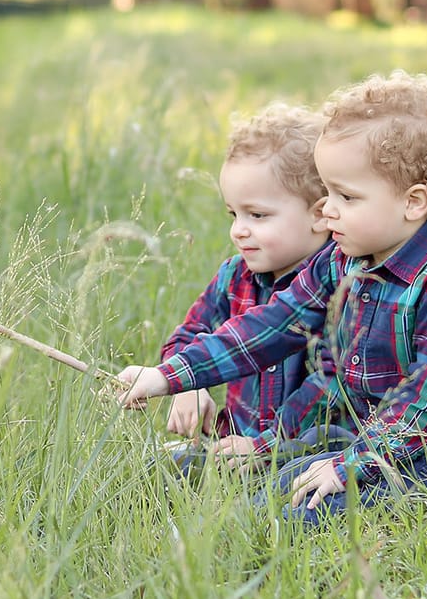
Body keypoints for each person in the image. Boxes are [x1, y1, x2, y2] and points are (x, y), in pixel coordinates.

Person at [117, 71, 427, 524]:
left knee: (301, 507)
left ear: (414, 202)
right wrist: (170, 376)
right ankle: (244, 496)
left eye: (346, 196)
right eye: (326, 189)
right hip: (371, 433)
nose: (327, 208)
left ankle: (255, 540)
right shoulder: (343, 257)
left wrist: (350, 464)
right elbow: (270, 325)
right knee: (284, 481)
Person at [125, 103, 339, 474]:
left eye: (257, 215)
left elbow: (330, 391)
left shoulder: (339, 284)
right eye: (233, 214)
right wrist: (188, 384)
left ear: (318, 214)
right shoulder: (235, 276)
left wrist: (263, 445)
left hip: (305, 453)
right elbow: (189, 334)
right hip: (232, 445)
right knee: (147, 469)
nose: (239, 230)